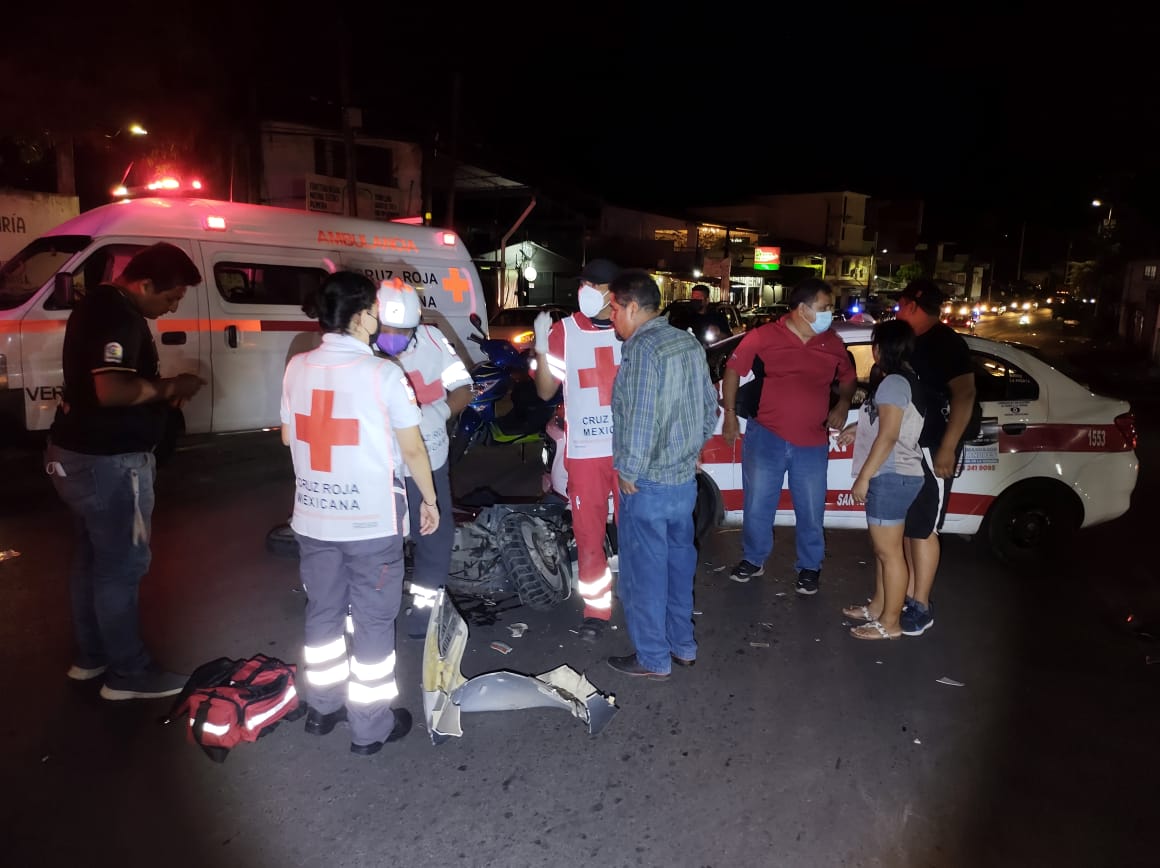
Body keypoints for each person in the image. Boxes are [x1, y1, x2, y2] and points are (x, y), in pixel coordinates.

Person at [281, 271, 439, 755]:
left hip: (313, 516)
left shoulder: (297, 367)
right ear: (363, 314)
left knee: (323, 613)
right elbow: (413, 450)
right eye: (374, 309)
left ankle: (322, 708)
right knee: (372, 621)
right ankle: (370, 728)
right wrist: (429, 502)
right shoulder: (383, 373)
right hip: (370, 521)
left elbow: (289, 436)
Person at [45, 241, 206, 700]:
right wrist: (171, 386)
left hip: (78, 454)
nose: (172, 306)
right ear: (144, 283)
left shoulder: (99, 306)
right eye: (170, 297)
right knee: (120, 567)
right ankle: (129, 674)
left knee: (94, 560)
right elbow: (111, 390)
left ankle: (91, 658)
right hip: (108, 462)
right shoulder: (115, 314)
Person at [604, 270, 719, 680]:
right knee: (677, 567)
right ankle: (683, 645)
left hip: (648, 484)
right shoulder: (686, 343)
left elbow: (640, 418)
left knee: (644, 575)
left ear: (633, 307)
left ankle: (653, 657)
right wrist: (689, 451)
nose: (612, 316)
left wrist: (630, 469)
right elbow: (710, 410)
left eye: (615, 308)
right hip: (682, 482)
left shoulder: (643, 349)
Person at [720, 278, 856, 594]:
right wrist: (729, 416)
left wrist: (845, 402)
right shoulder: (764, 336)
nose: (829, 313)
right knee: (757, 504)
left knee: (810, 508)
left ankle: (809, 566)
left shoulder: (832, 342)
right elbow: (732, 371)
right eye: (824, 307)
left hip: (811, 441)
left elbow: (848, 378)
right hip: (765, 436)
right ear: (802, 309)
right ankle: (754, 559)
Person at [373, 278, 473, 639]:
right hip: (379, 462)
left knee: (434, 537)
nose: (392, 336)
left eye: (401, 330)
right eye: (385, 327)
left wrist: (442, 410)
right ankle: (372, 612)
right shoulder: (362, 349)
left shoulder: (432, 340)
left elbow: (463, 387)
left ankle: (424, 613)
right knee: (380, 540)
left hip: (428, 457)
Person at [531, 258, 623, 642]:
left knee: (636, 530)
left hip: (627, 450)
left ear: (613, 292)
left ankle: (642, 600)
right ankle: (596, 611)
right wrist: (540, 345)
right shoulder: (563, 331)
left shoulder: (631, 328)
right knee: (587, 534)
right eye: (583, 282)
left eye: (594, 284)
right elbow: (546, 392)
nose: (585, 289)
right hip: (584, 450)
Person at [893, 278, 978, 636]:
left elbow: (965, 394)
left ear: (913, 305)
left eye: (900, 304)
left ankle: (921, 606)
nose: (898, 310)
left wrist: (947, 446)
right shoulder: (911, 341)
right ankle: (909, 594)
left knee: (925, 527)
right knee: (912, 525)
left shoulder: (946, 342)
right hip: (909, 446)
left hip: (931, 448)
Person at [836, 320, 926, 640]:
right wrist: (854, 430)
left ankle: (890, 623)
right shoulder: (900, 381)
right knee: (883, 551)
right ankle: (877, 607)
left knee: (889, 554)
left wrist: (863, 478)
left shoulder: (893, 384)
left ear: (879, 349)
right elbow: (885, 426)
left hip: (891, 475)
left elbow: (888, 438)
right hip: (894, 474)